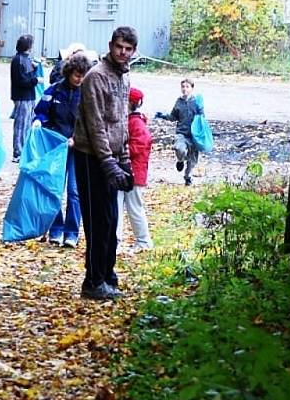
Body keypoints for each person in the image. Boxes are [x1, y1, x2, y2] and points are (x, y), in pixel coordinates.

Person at [72, 26, 137, 300]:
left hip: (112, 156)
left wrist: (124, 160)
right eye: (119, 47)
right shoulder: (95, 77)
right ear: (111, 45)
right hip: (90, 157)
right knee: (97, 221)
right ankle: (94, 280)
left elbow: (120, 122)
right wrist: (109, 163)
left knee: (110, 221)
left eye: (128, 48)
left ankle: (107, 274)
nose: (123, 52)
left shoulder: (124, 78)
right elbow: (96, 124)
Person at [33, 52, 92, 248]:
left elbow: (91, 122)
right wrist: (38, 122)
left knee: (75, 192)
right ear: (69, 73)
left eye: (83, 75)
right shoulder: (54, 91)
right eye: (77, 75)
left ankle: (72, 233)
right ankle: (56, 230)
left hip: (79, 149)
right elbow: (41, 111)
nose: (80, 79)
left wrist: (77, 139)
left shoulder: (88, 94)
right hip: (56, 148)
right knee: (54, 189)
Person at [117, 87, 154, 253]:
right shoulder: (131, 120)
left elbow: (140, 144)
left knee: (134, 208)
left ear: (131, 103)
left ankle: (143, 241)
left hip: (134, 174)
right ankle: (115, 241)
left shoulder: (136, 123)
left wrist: (121, 152)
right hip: (124, 171)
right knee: (116, 207)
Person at [155, 78, 202, 186]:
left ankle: (188, 177)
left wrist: (203, 134)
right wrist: (163, 116)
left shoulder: (197, 102)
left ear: (192, 88)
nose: (185, 89)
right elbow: (173, 117)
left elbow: (202, 119)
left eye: (187, 87)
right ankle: (180, 160)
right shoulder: (179, 102)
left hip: (194, 135)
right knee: (179, 148)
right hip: (181, 133)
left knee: (192, 160)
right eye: (183, 87)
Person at [9, 34, 42, 163]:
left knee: (27, 124)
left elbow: (27, 75)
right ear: (28, 46)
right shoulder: (19, 60)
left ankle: (23, 151)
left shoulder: (25, 59)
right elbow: (22, 80)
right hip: (22, 97)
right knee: (21, 125)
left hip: (28, 96)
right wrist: (36, 80)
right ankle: (17, 152)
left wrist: (34, 69)